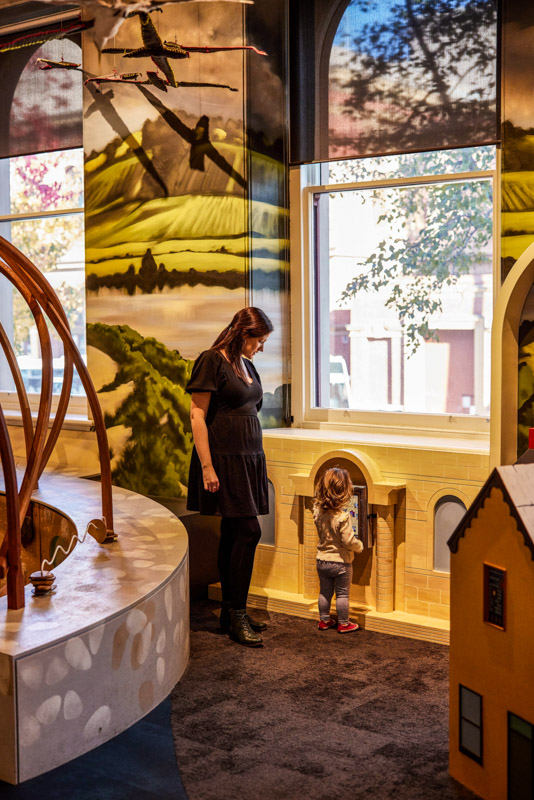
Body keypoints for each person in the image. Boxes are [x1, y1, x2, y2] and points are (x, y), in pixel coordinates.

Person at [186, 307, 273, 647]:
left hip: (248, 459)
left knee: (235, 532)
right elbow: (197, 415)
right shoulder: (212, 360)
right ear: (243, 333)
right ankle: (236, 613)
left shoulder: (247, 365)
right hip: (224, 460)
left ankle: (230, 611)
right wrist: (207, 466)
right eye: (259, 340)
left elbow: (249, 411)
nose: (260, 347)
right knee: (248, 530)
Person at [313, 467, 363, 633]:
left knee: (325, 592)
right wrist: (359, 546)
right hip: (341, 563)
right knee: (342, 594)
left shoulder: (318, 512)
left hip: (322, 560)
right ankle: (343, 623)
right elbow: (348, 540)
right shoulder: (343, 517)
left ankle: (324, 620)